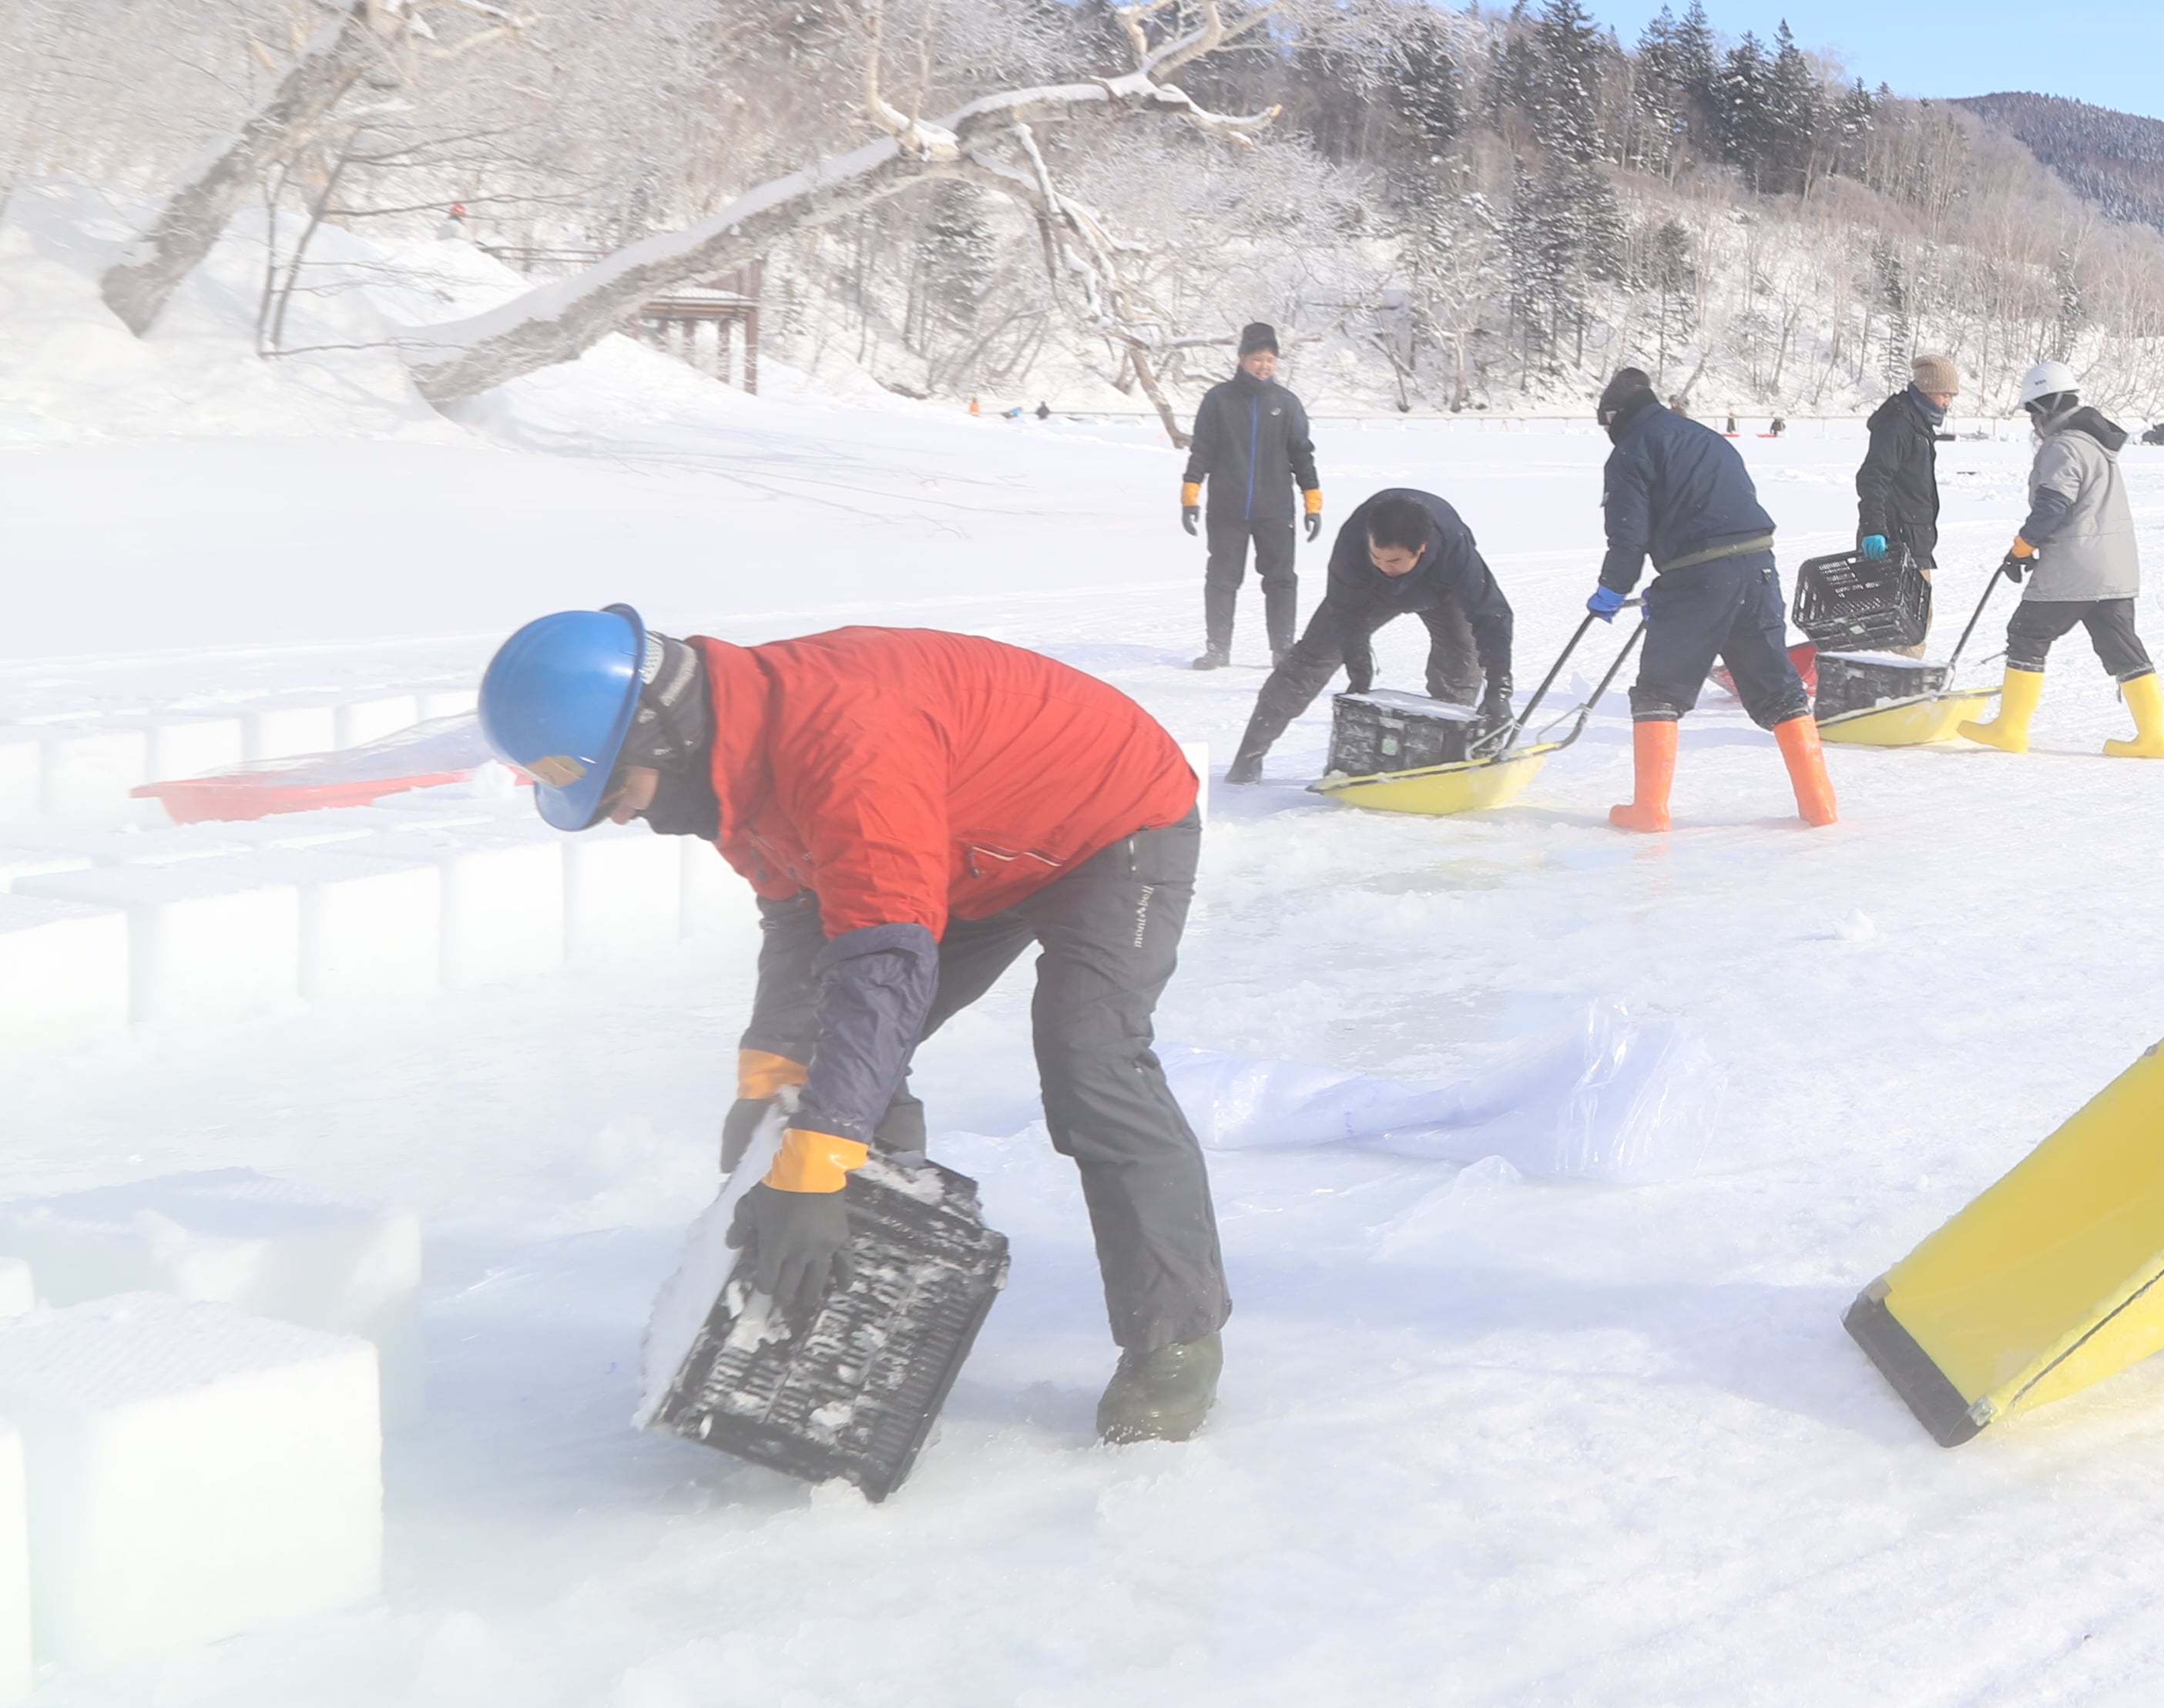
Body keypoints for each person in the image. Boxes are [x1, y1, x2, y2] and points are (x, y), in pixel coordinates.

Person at [476, 605, 1230, 1442]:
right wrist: (771, 1074)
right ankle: (881, 1271)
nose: (617, 813)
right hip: (965, 846)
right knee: (832, 1063)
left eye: (612, 789)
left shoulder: (843, 741)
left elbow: (884, 966)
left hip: (1110, 822)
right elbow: (803, 916)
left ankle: (1178, 1340)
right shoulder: (732, 763)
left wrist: (820, 1156)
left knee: (1089, 1056)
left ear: (659, 735)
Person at [1592, 367, 1839, 833]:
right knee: (1779, 689)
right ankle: (1820, 805)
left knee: (1659, 692)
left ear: (1615, 416)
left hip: (1699, 577)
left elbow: (1627, 537)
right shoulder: (1707, 438)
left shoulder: (1631, 451)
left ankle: (1649, 811)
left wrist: (1612, 590)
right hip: (1757, 569)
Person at [1223, 488, 1517, 785]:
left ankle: (1440, 756)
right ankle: (1247, 760)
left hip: (1439, 592)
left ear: (1422, 549)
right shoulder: (1354, 541)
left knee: (1461, 664)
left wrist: (1499, 688)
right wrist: (1357, 658)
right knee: (1308, 662)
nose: (1384, 565)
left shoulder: (1455, 549)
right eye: (1377, 556)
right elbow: (1343, 609)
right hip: (1368, 592)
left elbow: (1492, 616)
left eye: (1395, 561)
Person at [1964, 357, 2164, 760]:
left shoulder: (2064, 446)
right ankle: (2154, 737)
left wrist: (2023, 545)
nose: (2031, 422)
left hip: (2077, 567)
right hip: (2113, 568)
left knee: (2027, 632)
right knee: (2122, 647)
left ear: (2047, 406)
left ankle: (2010, 728)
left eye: (2031, 411)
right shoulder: (2094, 444)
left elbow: (2053, 505)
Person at [1179, 324, 1322, 671]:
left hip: (1275, 510)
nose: (1263, 366)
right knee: (1222, 579)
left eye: (1270, 360)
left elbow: (1301, 455)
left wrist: (1312, 502)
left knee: (1281, 580)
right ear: (1241, 359)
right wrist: (1190, 494)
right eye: (1257, 358)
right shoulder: (1219, 400)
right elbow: (1202, 450)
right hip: (1228, 509)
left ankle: (1283, 650)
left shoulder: (1287, 403)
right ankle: (1217, 649)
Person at [1857, 354, 1959, 571]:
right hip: (1893, 546)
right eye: (1945, 394)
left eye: (1951, 396)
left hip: (1915, 542)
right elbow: (1873, 477)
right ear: (1927, 388)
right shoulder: (1898, 424)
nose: (1947, 402)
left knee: (1920, 605)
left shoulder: (1919, 425)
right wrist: (1874, 528)